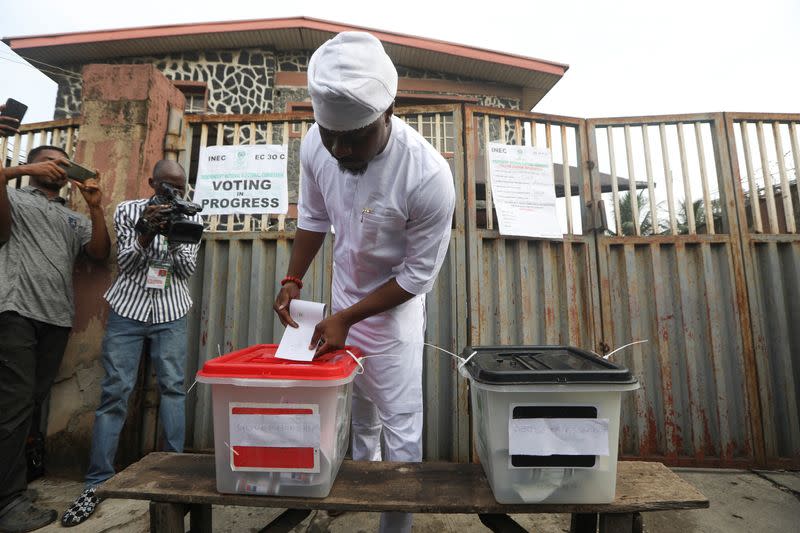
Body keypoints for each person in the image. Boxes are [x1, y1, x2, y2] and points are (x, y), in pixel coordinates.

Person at [273, 32, 455, 533]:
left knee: (399, 424)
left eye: (353, 137)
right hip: (342, 304)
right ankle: (354, 497)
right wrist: (293, 278)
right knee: (359, 413)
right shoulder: (318, 143)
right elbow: (312, 217)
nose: (340, 148)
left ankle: (394, 525)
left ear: (389, 110)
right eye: (331, 135)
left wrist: (347, 318)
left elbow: (416, 276)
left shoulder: (427, 176)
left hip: (392, 314)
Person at [61, 160, 201, 527]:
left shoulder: (193, 214)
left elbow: (186, 270)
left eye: (180, 187)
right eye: (166, 186)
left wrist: (172, 234)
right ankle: (97, 481)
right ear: (152, 182)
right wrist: (145, 231)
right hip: (128, 310)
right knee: (115, 392)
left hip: (171, 310)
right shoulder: (128, 211)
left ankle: (172, 472)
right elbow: (125, 261)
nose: (174, 193)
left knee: (172, 388)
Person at [0, 145, 110, 533]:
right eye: (52, 162)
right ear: (34, 165)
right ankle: (7, 503)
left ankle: (13, 489)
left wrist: (95, 206)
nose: (59, 168)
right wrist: (20, 170)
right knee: (12, 406)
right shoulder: (12, 195)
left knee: (27, 404)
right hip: (15, 311)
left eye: (65, 164)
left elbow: (98, 254)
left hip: (56, 318)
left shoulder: (70, 215)